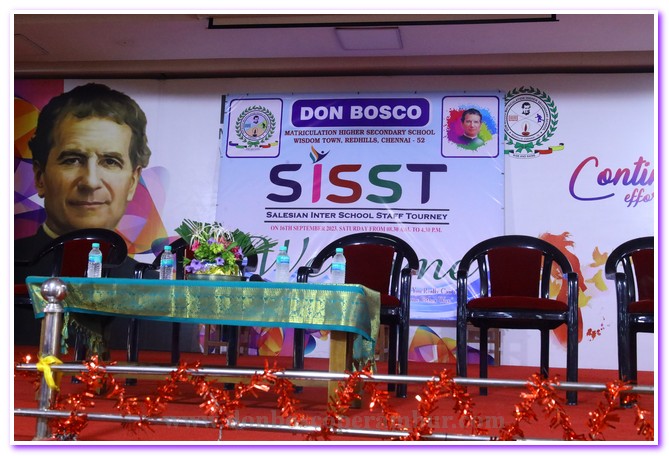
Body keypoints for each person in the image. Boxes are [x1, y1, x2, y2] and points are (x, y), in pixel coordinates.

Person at [14, 83, 152, 353]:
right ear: (40, 177)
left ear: (133, 182)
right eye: (72, 160)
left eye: (110, 161)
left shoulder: (157, 293)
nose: (90, 181)